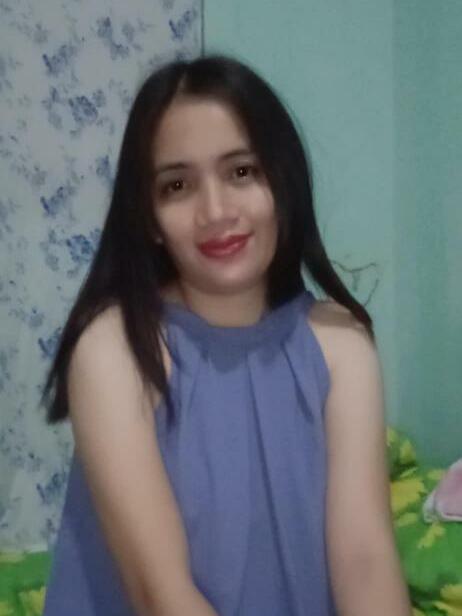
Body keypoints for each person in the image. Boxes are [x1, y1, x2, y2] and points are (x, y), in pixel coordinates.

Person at [41, 55, 412, 616]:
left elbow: (365, 562)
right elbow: (160, 594)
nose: (215, 212)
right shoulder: (114, 347)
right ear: (148, 216)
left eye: (242, 172)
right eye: (177, 185)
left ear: (281, 182)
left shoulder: (341, 346)